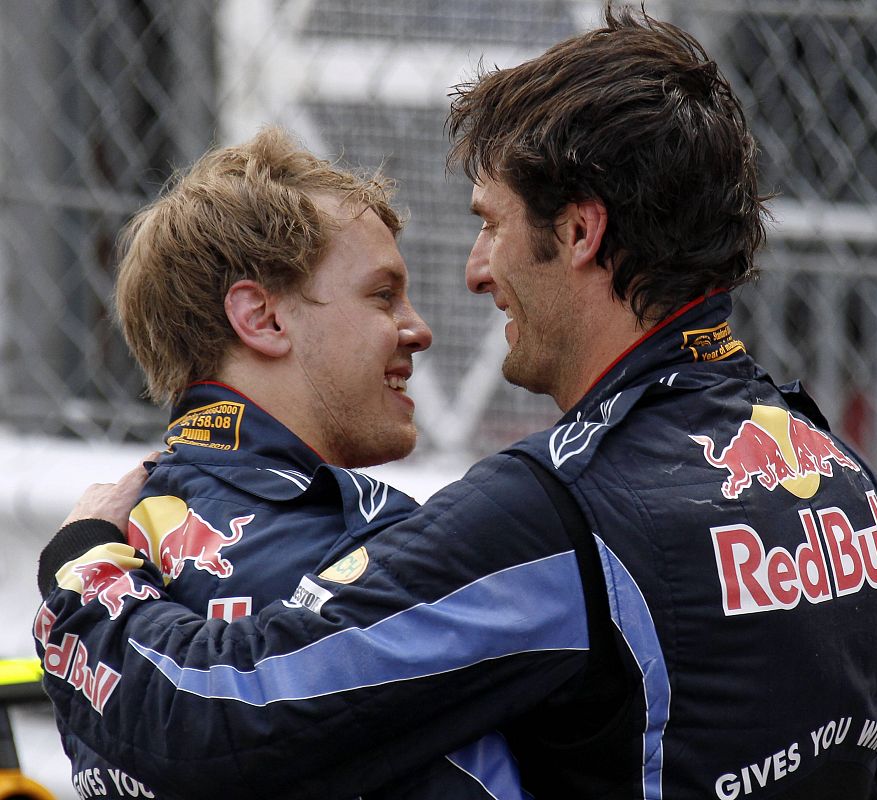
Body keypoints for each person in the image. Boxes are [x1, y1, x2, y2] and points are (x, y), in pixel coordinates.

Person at [36, 6, 877, 799]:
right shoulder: (848, 481)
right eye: (385, 295)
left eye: (490, 222)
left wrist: (83, 566)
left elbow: (219, 716)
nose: (476, 272)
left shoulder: (559, 514)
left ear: (578, 231)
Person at [47, 126, 526, 800]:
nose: (419, 330)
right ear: (263, 318)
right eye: (382, 295)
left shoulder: (93, 573)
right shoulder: (374, 541)